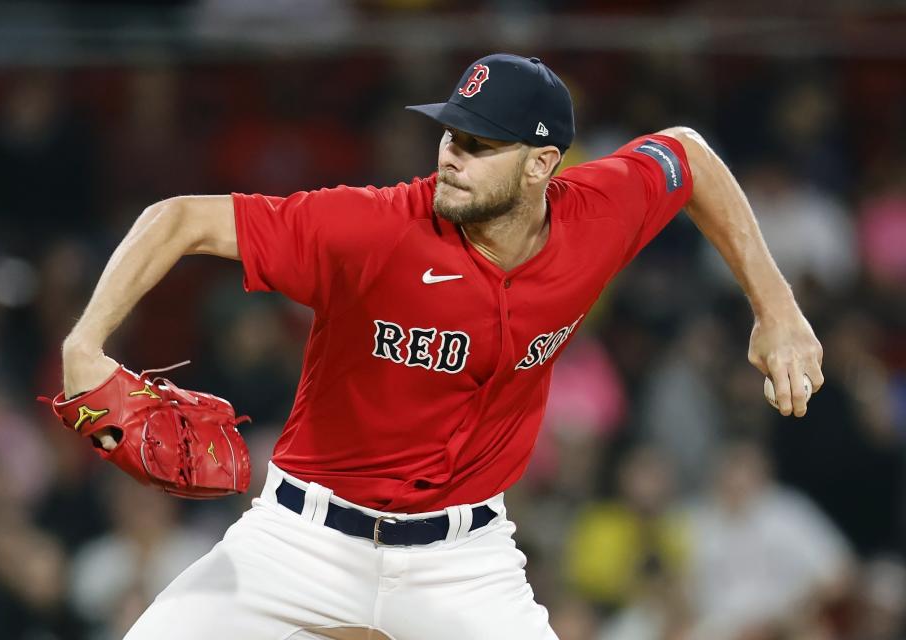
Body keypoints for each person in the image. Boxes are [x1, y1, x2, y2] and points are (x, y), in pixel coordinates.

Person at [61, 54, 824, 639]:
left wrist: (777, 306)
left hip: (464, 560)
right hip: (299, 540)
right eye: (450, 133)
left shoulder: (597, 215)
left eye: (479, 142)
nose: (450, 155)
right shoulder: (372, 227)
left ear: (541, 164)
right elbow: (178, 219)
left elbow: (687, 155)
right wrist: (87, 341)